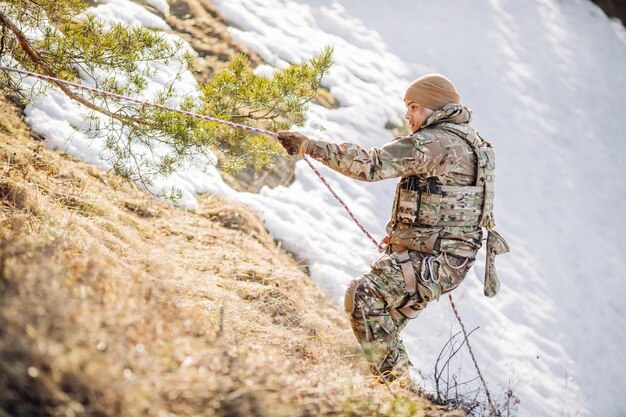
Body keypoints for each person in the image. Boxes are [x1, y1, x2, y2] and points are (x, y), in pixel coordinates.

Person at [277, 74, 509, 383]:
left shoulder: (437, 142)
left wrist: (309, 145)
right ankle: (381, 390)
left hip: (435, 262)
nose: (407, 116)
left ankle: (397, 388)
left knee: (364, 297)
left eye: (413, 107)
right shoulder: (469, 140)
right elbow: (448, 208)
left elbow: (372, 165)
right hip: (445, 259)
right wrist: (407, 238)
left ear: (433, 108)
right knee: (376, 328)